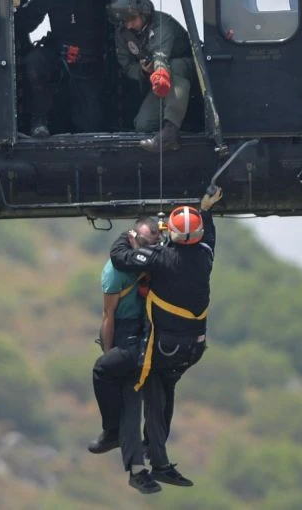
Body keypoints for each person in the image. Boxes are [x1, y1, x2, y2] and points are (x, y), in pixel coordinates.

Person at [110, 185, 223, 494]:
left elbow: (120, 257)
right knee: (164, 395)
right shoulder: (205, 255)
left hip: (165, 347)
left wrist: (130, 234)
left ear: (170, 233)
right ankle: (157, 457)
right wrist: (205, 209)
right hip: (193, 348)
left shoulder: (160, 257)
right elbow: (207, 233)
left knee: (150, 396)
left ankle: (153, 459)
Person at [14, 0, 116, 136]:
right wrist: (16, 7)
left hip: (91, 63)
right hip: (59, 57)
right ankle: (39, 119)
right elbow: (26, 23)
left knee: (90, 123)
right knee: (36, 61)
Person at [87, 217, 157, 456]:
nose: (148, 251)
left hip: (152, 328)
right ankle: (114, 432)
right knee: (105, 368)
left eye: (153, 245)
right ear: (133, 239)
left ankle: (122, 434)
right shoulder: (115, 272)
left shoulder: (159, 260)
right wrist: (108, 351)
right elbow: (109, 315)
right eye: (145, 244)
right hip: (128, 330)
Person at [108, 0, 193, 153]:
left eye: (132, 19)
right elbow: (127, 66)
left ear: (144, 11)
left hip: (187, 73)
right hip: (159, 80)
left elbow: (161, 55)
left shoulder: (162, 24)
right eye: (125, 22)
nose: (129, 25)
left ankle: (170, 133)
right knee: (143, 124)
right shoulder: (124, 34)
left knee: (175, 66)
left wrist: (160, 72)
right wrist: (142, 71)